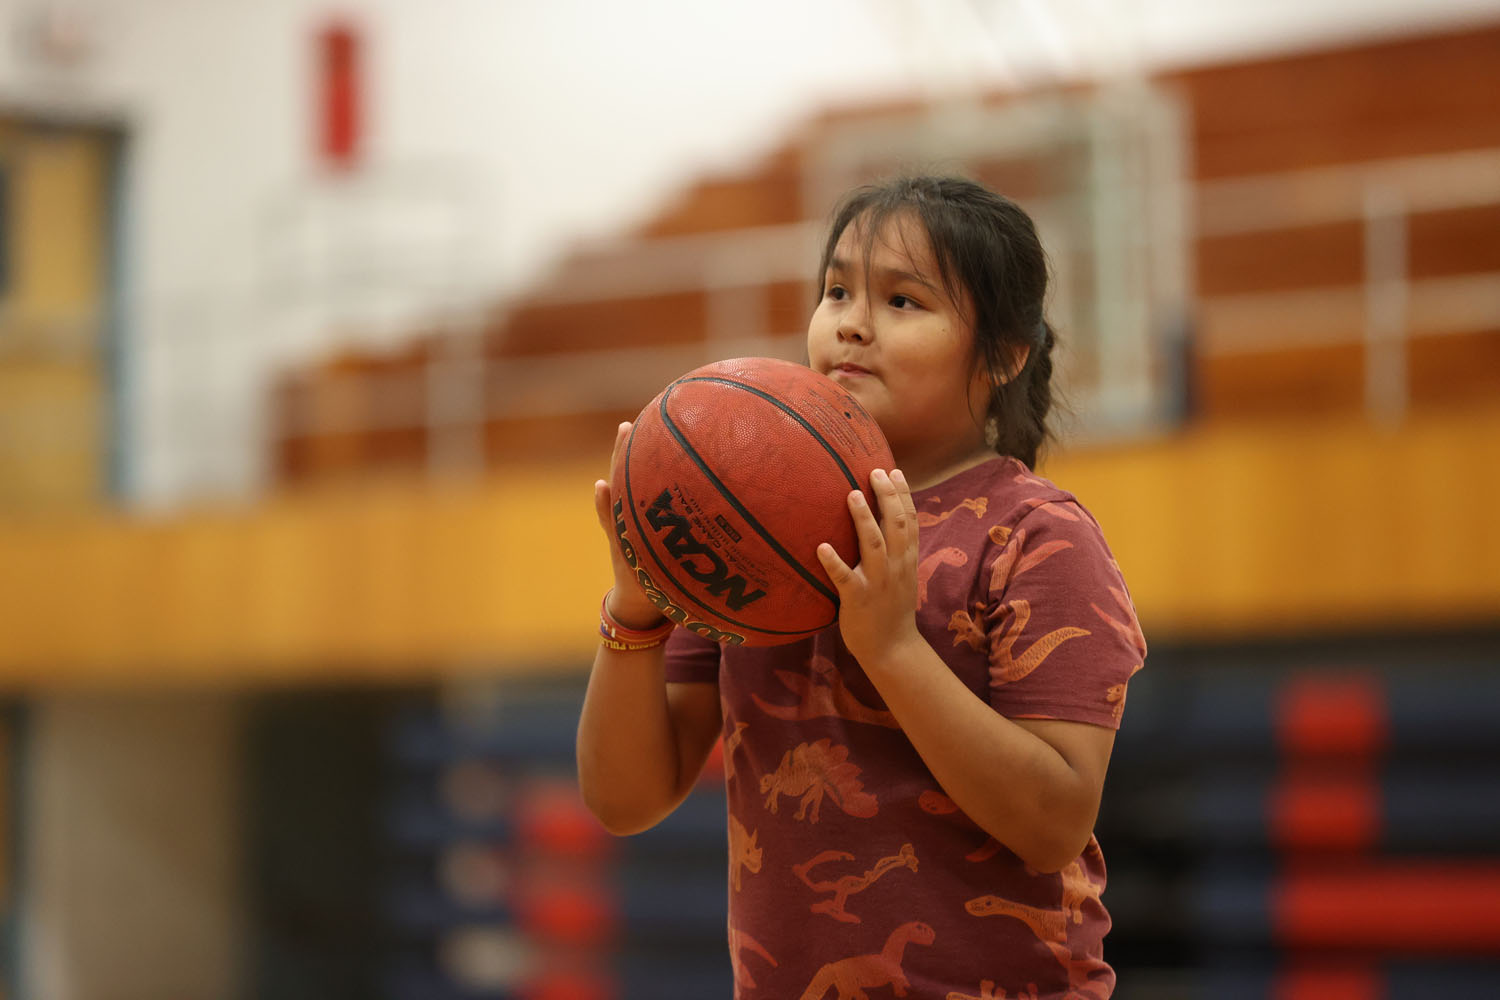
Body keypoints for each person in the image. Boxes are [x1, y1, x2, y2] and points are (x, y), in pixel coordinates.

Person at [576, 174, 1146, 1000]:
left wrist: (891, 649)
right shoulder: (744, 526)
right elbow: (625, 800)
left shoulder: (1037, 537)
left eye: (904, 301)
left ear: (1003, 355)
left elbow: (1055, 821)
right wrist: (637, 610)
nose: (851, 320)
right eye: (837, 289)